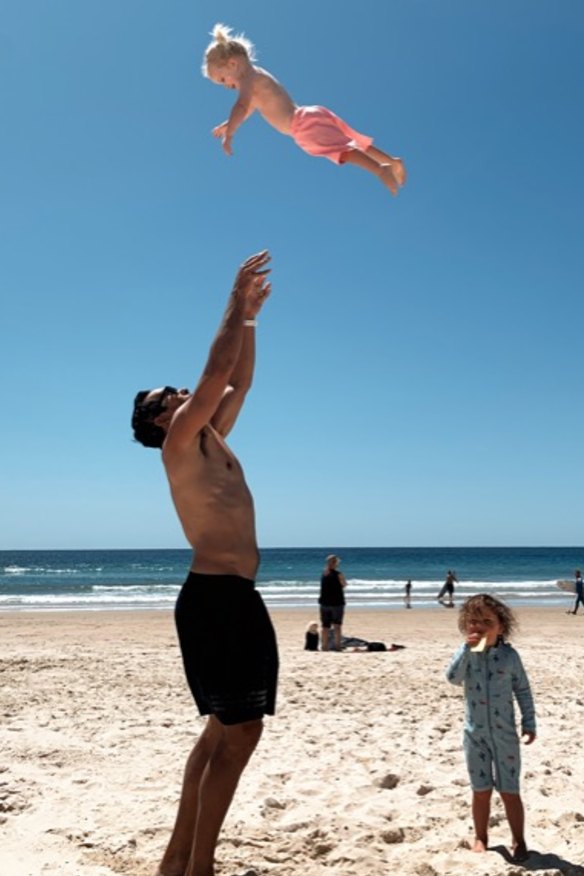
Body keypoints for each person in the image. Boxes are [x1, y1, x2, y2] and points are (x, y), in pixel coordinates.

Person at [131, 250, 278, 876]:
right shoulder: (178, 443)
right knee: (240, 734)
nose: (184, 391)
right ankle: (200, 867)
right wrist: (231, 301)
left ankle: (176, 860)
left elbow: (237, 381)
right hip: (217, 600)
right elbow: (216, 374)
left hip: (229, 597)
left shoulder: (210, 435)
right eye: (172, 394)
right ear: (161, 417)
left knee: (220, 732)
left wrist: (248, 322)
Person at [202, 24, 407, 197]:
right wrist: (228, 123)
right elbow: (248, 109)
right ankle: (391, 160)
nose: (226, 85)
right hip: (309, 115)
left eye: (222, 79)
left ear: (232, 63)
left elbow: (241, 106)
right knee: (349, 139)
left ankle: (381, 169)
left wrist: (230, 135)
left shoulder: (248, 79)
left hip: (301, 125)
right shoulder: (256, 78)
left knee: (341, 150)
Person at [445, 594, 536, 863]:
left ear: (501, 627)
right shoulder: (466, 655)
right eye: (473, 622)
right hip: (475, 736)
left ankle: (519, 840)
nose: (480, 627)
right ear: (466, 626)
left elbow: (523, 690)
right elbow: (452, 678)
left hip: (506, 736)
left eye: (487, 621)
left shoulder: (509, 657)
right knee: (480, 790)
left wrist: (529, 721)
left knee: (510, 791)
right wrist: (465, 650)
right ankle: (481, 837)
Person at [318, 554, 347, 651]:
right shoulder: (339, 574)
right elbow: (344, 585)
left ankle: (324, 646)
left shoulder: (324, 574)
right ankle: (337, 646)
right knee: (337, 625)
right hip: (337, 603)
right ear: (336, 563)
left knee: (325, 626)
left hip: (324, 603)